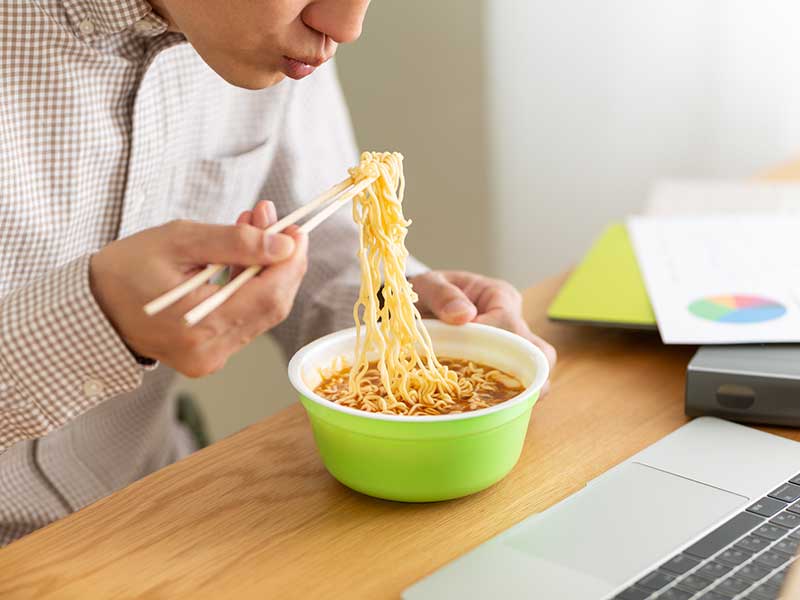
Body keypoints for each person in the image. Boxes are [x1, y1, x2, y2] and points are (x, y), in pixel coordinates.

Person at [0, 0, 556, 545]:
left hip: (168, 508)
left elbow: (324, 234)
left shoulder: (284, 44)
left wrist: (404, 317)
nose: (345, 25)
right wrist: (93, 321)